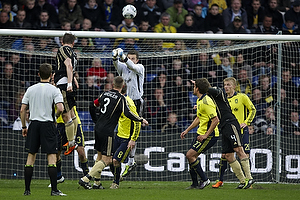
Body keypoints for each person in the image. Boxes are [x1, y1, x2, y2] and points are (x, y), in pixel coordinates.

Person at [78, 76, 148, 189]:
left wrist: (95, 120)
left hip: (98, 128)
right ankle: (85, 179)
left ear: (112, 85)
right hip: (107, 131)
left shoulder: (104, 94)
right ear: (123, 86)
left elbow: (92, 105)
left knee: (100, 155)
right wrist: (140, 119)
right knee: (107, 159)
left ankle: (97, 183)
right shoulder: (121, 99)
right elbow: (128, 113)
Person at [21, 63, 66, 196]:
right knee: (51, 158)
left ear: (38, 74)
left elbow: (23, 109)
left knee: (30, 158)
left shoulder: (31, 89)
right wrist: (55, 116)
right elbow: (61, 108)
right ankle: (54, 190)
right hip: (48, 124)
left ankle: (27, 190)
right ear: (52, 75)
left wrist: (24, 126)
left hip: (34, 124)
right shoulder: (54, 90)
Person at [206, 79, 255, 189]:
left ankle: (249, 179)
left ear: (234, 86)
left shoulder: (242, 97)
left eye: (228, 85)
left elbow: (253, 109)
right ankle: (241, 181)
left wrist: (246, 123)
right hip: (227, 129)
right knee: (227, 155)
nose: (226, 87)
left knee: (243, 153)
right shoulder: (223, 99)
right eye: (224, 85)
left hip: (241, 130)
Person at [181, 78, 220, 189]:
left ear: (197, 89)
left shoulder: (206, 101)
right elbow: (199, 118)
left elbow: (216, 120)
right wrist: (187, 130)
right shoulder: (200, 100)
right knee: (191, 157)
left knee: (190, 155)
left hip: (209, 136)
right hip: (200, 133)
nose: (193, 88)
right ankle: (194, 184)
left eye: (194, 86)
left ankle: (205, 179)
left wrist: (205, 135)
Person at [112, 48, 145, 178]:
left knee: (133, 131)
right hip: (124, 101)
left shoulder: (140, 68)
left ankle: (131, 161)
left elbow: (131, 65)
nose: (130, 60)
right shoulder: (123, 68)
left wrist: (124, 57)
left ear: (137, 60)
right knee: (124, 130)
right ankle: (129, 161)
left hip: (136, 102)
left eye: (133, 58)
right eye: (129, 58)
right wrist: (115, 57)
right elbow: (116, 64)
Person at [110, 84, 142, 189]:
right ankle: (118, 177)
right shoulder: (119, 101)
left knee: (116, 160)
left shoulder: (129, 103)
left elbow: (137, 122)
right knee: (109, 159)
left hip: (126, 139)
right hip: (118, 135)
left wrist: (133, 140)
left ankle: (116, 183)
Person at [54, 33, 78, 155]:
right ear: (73, 43)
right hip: (68, 84)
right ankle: (72, 139)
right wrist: (73, 80)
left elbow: (68, 65)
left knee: (66, 115)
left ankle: (71, 142)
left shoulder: (63, 49)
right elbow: (71, 68)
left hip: (64, 85)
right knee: (72, 113)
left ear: (62, 42)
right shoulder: (74, 53)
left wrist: (69, 83)